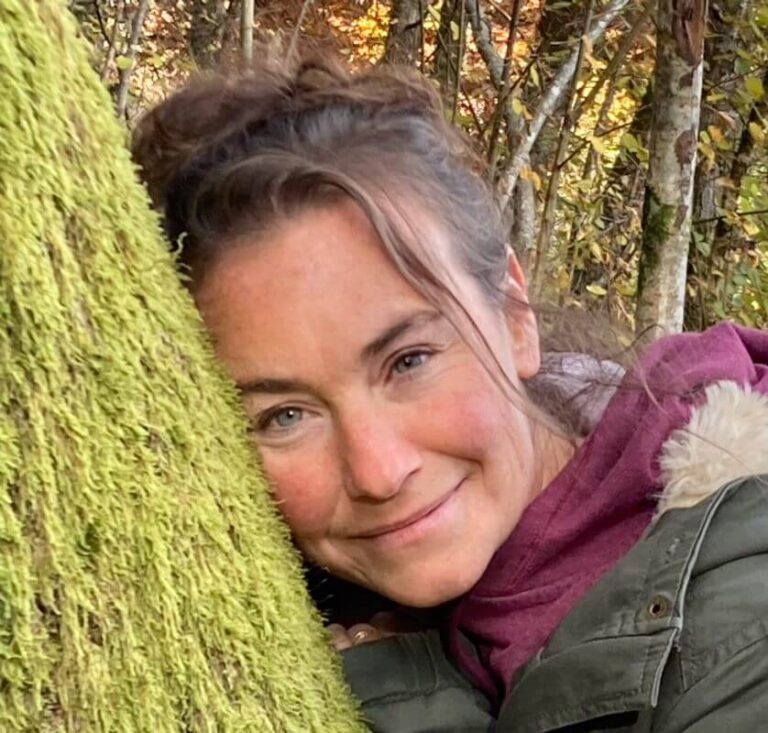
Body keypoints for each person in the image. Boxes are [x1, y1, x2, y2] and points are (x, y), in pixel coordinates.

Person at [132, 51, 768, 732]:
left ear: (514, 316)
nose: (378, 470)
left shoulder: (741, 593)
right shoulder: (319, 592)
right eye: (284, 415)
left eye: (407, 361)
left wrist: (411, 705)